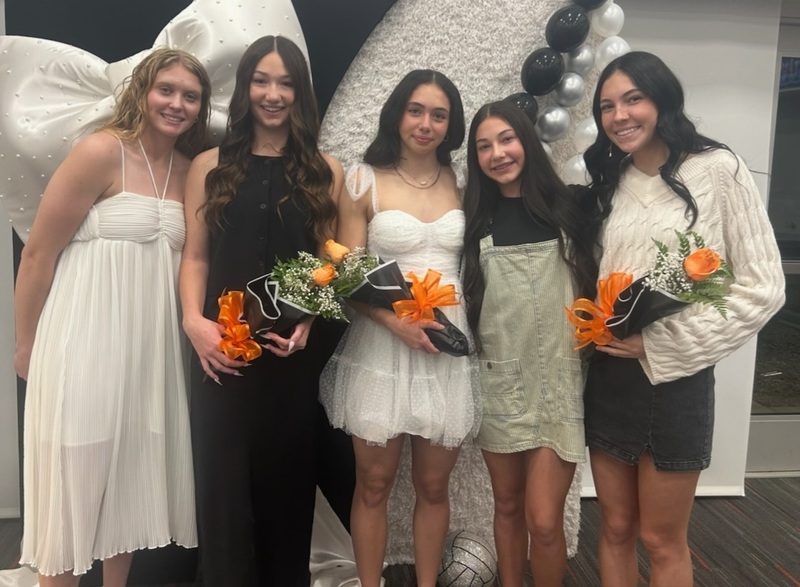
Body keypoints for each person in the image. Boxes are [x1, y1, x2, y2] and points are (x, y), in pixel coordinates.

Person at [582, 51, 785, 586]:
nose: (620, 116)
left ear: (662, 99)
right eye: (607, 106)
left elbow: (764, 288)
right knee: (616, 527)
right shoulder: (611, 181)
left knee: (661, 538)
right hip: (609, 378)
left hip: (676, 381)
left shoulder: (717, 169)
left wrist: (659, 345)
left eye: (633, 99)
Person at [12, 48, 211, 587]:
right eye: (166, 90)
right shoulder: (101, 151)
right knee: (73, 487)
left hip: (149, 353)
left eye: (190, 96)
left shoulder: (191, 172)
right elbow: (38, 255)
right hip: (84, 340)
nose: (177, 104)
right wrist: (26, 345)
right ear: (142, 91)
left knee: (127, 484)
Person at [179, 35, 345, 586]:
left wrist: (308, 324)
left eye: (286, 83)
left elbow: (327, 261)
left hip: (288, 357)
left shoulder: (325, 170)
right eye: (261, 80)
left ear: (300, 93)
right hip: (218, 353)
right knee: (221, 494)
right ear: (245, 87)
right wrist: (193, 324)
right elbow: (196, 256)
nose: (273, 94)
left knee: (287, 493)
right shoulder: (208, 165)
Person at [319, 69, 480, 587]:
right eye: (416, 110)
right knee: (374, 484)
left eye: (439, 114)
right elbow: (348, 275)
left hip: (446, 345)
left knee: (434, 487)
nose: (425, 124)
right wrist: (396, 323)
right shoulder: (363, 180)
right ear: (397, 114)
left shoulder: (464, 182)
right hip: (381, 346)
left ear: (451, 125)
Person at [460, 100, 597, 587]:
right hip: (500, 382)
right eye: (484, 146)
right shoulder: (474, 221)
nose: (497, 154)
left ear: (527, 142)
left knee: (544, 519)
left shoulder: (571, 207)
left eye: (507, 139)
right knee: (506, 505)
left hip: (560, 382)